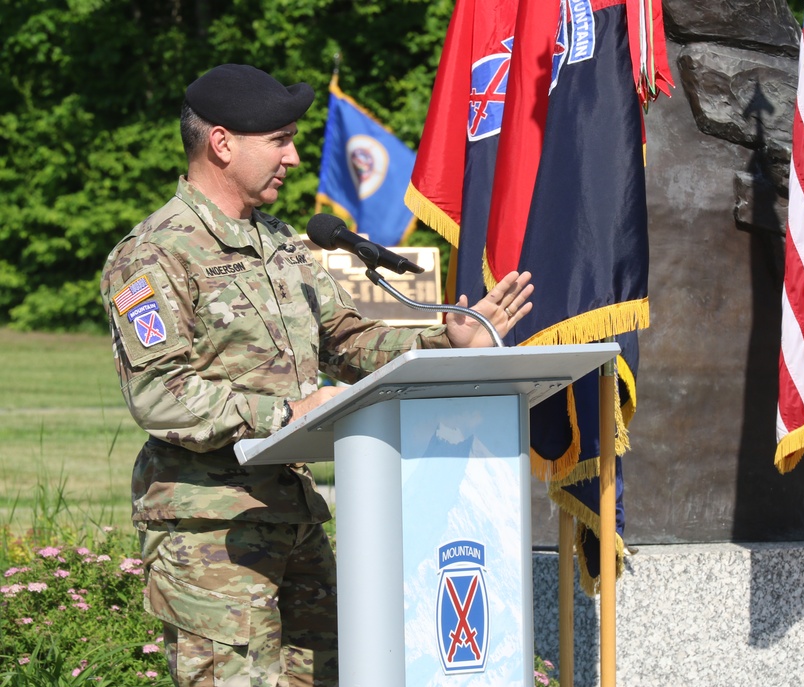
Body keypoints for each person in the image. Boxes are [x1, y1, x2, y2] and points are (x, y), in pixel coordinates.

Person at [100, 63, 533, 687]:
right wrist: (283, 415)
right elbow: (158, 394)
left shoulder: (282, 245)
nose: (295, 157)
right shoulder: (154, 254)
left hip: (293, 513)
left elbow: (350, 341)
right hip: (212, 527)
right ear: (222, 143)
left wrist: (445, 339)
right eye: (280, 140)